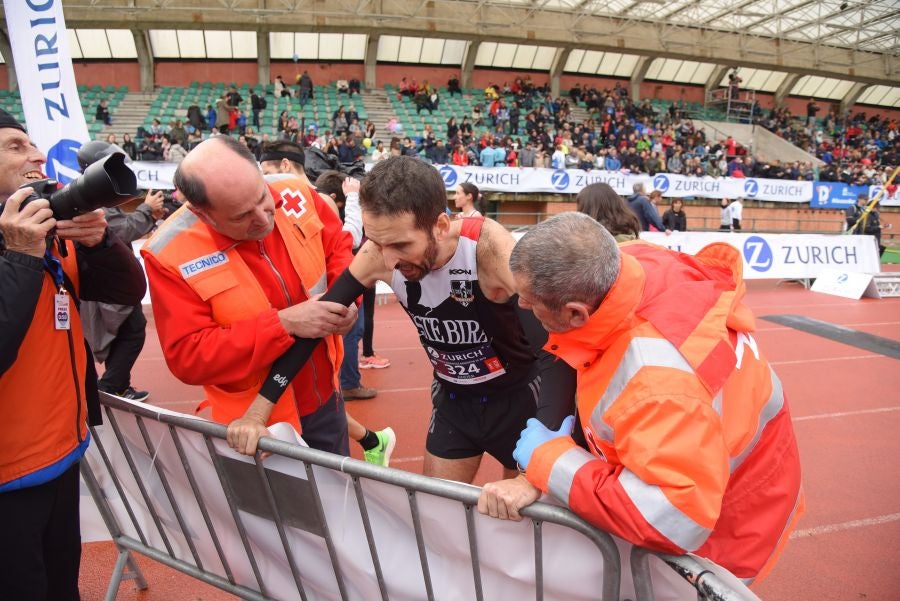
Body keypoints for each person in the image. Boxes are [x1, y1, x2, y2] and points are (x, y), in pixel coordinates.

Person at [478, 212, 804, 584]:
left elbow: (673, 519)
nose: (523, 309)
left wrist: (552, 461)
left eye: (531, 302)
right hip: (723, 460)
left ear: (575, 312)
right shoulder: (632, 262)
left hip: (730, 521)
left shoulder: (655, 382)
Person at [256, 157, 576, 483]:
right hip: (455, 403)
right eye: (377, 241)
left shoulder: (486, 248)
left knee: (521, 521)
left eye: (401, 244)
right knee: (436, 515)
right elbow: (315, 325)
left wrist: (546, 443)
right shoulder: (377, 255)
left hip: (519, 403)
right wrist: (259, 410)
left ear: (439, 226)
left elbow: (556, 348)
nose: (389, 260)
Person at [0, 109, 146, 600]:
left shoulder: (45, 229)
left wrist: (102, 242)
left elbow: (127, 292)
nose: (37, 155)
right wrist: (20, 254)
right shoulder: (25, 238)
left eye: (33, 145)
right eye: (16, 146)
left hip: (62, 451)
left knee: (62, 587)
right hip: (7, 475)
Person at [141, 135, 356, 459]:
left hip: (326, 399)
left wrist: (345, 302)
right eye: (241, 216)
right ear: (202, 212)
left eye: (262, 197)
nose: (263, 217)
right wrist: (283, 325)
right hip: (259, 426)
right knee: (280, 509)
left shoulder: (295, 190)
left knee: (339, 503)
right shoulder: (170, 252)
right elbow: (188, 356)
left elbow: (337, 247)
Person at [77, 141, 163, 401]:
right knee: (133, 329)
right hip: (108, 282)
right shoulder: (93, 198)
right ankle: (110, 387)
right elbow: (120, 231)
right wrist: (146, 209)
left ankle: (118, 385)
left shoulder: (95, 194)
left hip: (109, 279)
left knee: (123, 331)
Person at [575, 182, 640, 242]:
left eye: (581, 207)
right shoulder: (630, 233)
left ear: (589, 210)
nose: (578, 211)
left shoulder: (591, 243)